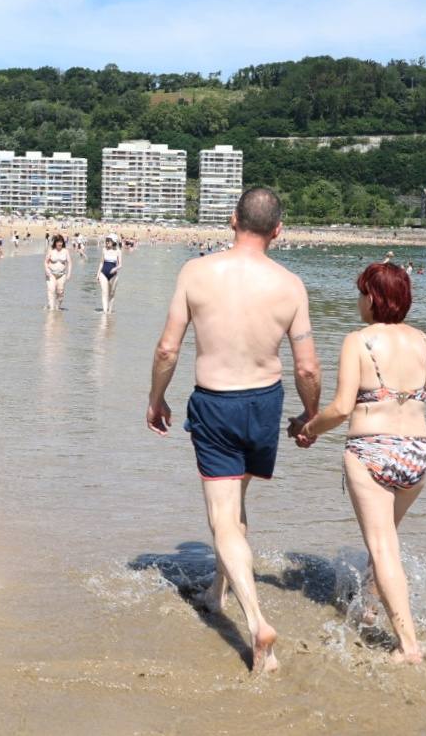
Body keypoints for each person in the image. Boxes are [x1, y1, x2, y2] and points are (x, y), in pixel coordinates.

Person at [146, 186, 321, 676]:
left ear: (231, 220)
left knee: (223, 519)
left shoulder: (196, 272)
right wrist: (310, 416)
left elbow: (166, 349)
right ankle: (217, 592)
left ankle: (257, 622)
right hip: (265, 403)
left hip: (217, 403)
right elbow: (307, 367)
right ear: (278, 231)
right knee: (237, 508)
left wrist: (156, 398)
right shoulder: (290, 285)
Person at [290, 263, 426, 664]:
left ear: (373, 297)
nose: (358, 301)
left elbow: (340, 407)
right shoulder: (425, 342)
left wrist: (310, 428)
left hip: (372, 450)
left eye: (360, 293)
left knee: (383, 546)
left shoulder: (359, 341)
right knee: (384, 539)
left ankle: (408, 646)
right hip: (418, 455)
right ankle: (368, 610)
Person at [44, 234, 71, 310]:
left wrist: (69, 273)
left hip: (62, 275)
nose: (60, 243)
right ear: (55, 243)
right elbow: (45, 262)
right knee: (51, 290)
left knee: (60, 292)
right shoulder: (51, 251)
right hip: (51, 274)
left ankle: (57, 307)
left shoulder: (65, 251)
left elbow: (69, 262)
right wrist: (46, 270)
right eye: (58, 242)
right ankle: (51, 308)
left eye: (61, 242)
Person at [98, 234, 122, 313]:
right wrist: (98, 274)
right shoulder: (104, 249)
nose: (107, 242)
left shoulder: (118, 251)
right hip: (103, 273)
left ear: (114, 241)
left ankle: (109, 311)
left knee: (111, 293)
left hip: (113, 275)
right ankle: (105, 312)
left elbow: (120, 265)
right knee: (104, 293)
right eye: (107, 240)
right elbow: (101, 263)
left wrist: (115, 268)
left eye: (109, 240)